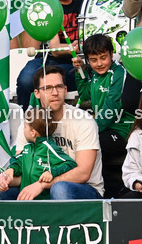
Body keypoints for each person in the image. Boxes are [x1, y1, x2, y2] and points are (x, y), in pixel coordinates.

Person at [74, 34, 132, 198]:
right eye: (93, 60)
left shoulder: (119, 73)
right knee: (87, 148)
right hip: (101, 129)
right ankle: (109, 190)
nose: (99, 63)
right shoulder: (95, 76)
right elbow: (84, 94)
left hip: (121, 130)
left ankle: (109, 191)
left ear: (111, 54)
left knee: (91, 146)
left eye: (103, 58)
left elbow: (111, 108)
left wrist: (89, 130)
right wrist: (80, 71)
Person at [34, 65, 104, 199]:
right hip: (41, 185)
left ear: (65, 90)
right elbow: (22, 163)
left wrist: (42, 185)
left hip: (84, 189)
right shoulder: (30, 122)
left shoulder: (83, 120)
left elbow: (83, 173)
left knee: (60, 189)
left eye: (59, 87)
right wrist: (6, 178)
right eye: (48, 88)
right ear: (37, 93)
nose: (55, 93)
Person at [0, 107, 78, 201]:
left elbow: (70, 164)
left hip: (44, 200)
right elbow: (18, 160)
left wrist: (52, 172)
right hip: (26, 199)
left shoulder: (49, 148)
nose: (23, 129)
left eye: (25, 127)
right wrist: (11, 170)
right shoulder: (27, 148)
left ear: (33, 132)